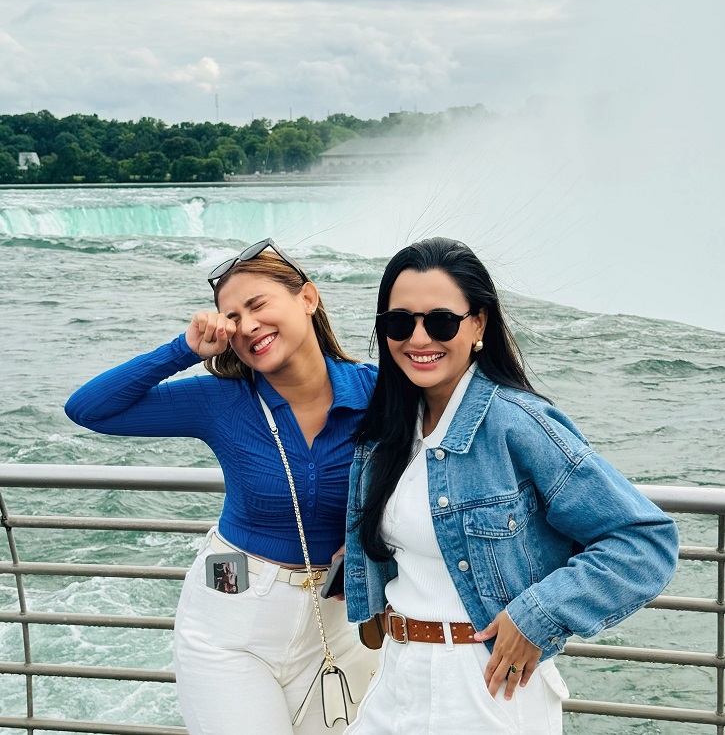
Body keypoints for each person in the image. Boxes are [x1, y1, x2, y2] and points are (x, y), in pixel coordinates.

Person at [344, 237, 679, 735]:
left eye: (441, 321)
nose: (418, 339)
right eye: (400, 322)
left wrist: (536, 617)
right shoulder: (388, 432)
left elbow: (643, 541)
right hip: (396, 676)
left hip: (485, 688)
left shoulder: (516, 423)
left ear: (478, 324)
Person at [65, 239, 379, 735]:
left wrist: (371, 537)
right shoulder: (221, 400)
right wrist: (183, 349)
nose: (247, 325)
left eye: (257, 305)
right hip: (229, 618)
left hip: (341, 623)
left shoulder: (380, 393)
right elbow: (89, 409)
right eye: (231, 318)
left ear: (308, 298)